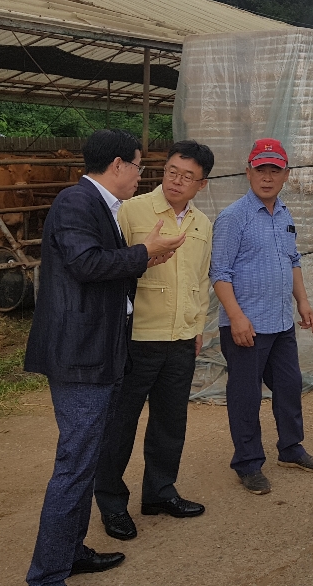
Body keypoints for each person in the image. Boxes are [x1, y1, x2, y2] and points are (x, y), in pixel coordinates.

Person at [24, 130, 186, 586]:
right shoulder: (76, 203)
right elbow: (86, 264)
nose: (141, 175)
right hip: (80, 355)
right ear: (118, 165)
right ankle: (48, 572)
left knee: (86, 456)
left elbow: (100, 267)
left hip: (99, 348)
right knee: (76, 462)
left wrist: (142, 260)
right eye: (138, 165)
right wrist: (143, 252)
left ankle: (69, 552)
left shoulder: (99, 206)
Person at [93, 140, 215, 541]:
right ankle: (112, 503)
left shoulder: (202, 224)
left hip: (181, 339)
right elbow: (112, 269)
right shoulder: (132, 211)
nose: (177, 181)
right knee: (120, 424)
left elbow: (200, 280)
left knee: (170, 421)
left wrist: (196, 329)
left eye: (188, 177)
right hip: (138, 338)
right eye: (171, 172)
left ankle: (160, 492)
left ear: (202, 184)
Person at [209, 138, 313, 495]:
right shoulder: (233, 218)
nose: (267, 177)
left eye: (274, 170)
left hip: (280, 320)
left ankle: (290, 448)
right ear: (248, 172)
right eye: (260, 169)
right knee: (245, 395)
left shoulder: (285, 214)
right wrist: (236, 317)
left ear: (285, 175)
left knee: (289, 387)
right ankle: (247, 463)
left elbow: (292, 260)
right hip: (246, 325)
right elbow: (220, 273)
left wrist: (302, 301)